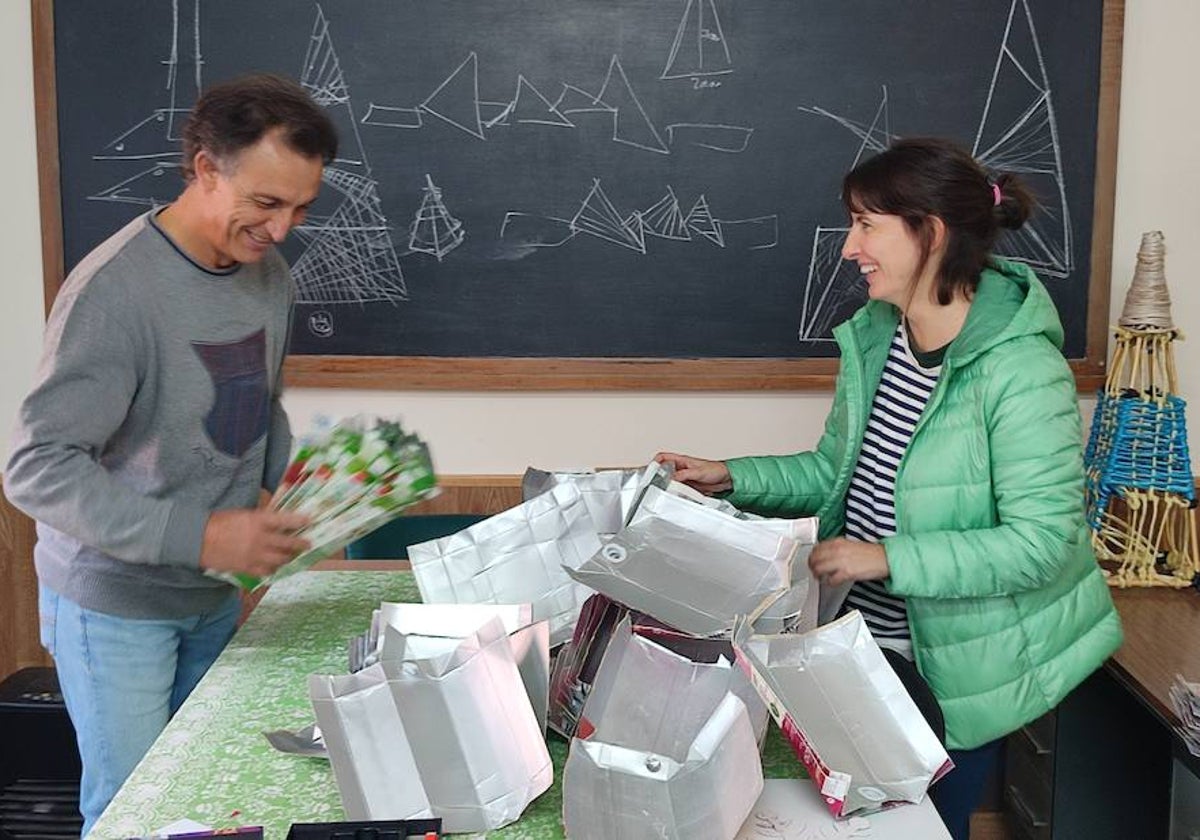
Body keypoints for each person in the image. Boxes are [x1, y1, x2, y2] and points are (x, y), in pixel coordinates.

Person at [657, 137, 1122, 840]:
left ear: (930, 233)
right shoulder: (882, 337)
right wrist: (730, 476)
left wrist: (885, 557)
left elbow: (1044, 544)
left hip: (958, 672)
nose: (850, 248)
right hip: (859, 649)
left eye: (867, 224)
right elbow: (835, 472)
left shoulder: (1022, 371)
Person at [4, 73, 337, 835]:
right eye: (265, 203)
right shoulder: (115, 292)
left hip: (208, 595)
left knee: (207, 807)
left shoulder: (268, 276)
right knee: (132, 816)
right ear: (204, 169)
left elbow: (259, 401)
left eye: (300, 208)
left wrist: (277, 493)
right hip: (114, 603)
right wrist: (204, 535)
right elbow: (36, 467)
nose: (282, 229)